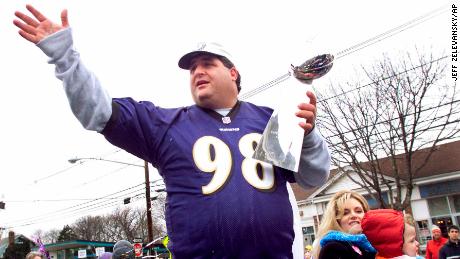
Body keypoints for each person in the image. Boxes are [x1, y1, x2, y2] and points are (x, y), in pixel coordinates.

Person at [13, 5, 331, 258]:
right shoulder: (167, 124)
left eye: (208, 63)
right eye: (192, 68)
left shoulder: (270, 120)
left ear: (233, 72)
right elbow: (97, 111)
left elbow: (313, 178)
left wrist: (309, 134)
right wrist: (64, 56)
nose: (198, 72)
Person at [313, 190, 376, 259]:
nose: (353, 215)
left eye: (358, 211)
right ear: (336, 220)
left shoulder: (370, 245)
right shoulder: (333, 248)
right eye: (345, 213)